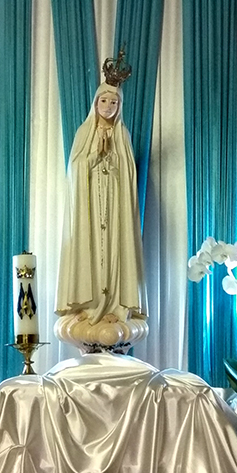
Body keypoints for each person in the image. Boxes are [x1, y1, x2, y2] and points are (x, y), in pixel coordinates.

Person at [55, 56, 147, 332]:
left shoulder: (123, 135)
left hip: (115, 206)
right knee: (91, 250)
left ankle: (116, 306)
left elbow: (128, 173)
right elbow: (75, 169)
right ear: (95, 103)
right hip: (90, 207)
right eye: (103, 101)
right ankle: (90, 304)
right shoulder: (84, 133)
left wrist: (113, 158)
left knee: (116, 249)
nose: (108, 107)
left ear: (120, 106)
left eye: (113, 102)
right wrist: (96, 153)